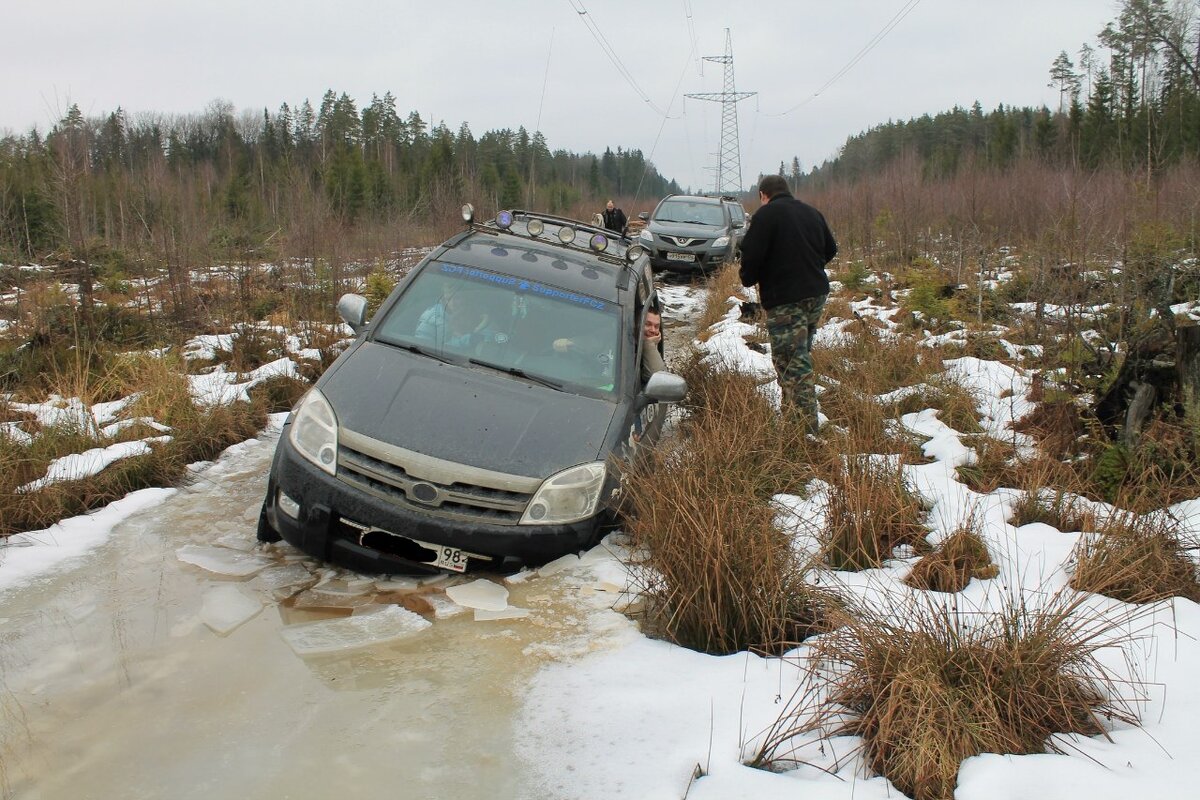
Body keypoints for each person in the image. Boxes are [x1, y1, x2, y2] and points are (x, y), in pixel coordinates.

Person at [738, 174, 838, 433]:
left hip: (785, 299)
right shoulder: (811, 213)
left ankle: (806, 432)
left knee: (793, 363)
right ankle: (792, 418)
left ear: (763, 195)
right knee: (796, 357)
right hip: (815, 294)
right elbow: (831, 249)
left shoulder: (765, 216)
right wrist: (808, 267)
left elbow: (751, 256)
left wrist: (749, 278)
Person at [415, 291, 491, 349]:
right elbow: (422, 348)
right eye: (448, 298)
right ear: (442, 300)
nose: (452, 303)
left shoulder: (481, 314)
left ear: (467, 299)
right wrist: (468, 339)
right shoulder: (431, 319)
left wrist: (481, 326)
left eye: (457, 298)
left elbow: (493, 340)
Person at [640, 307, 666, 382]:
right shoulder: (622, 345)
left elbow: (659, 381)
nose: (653, 330)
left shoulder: (650, 348)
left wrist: (648, 345)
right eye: (647, 324)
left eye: (657, 326)